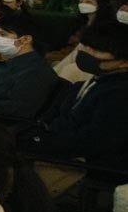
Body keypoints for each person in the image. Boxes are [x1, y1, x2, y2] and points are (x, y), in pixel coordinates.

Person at [30, 20, 128, 169]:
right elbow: (53, 116)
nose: (85, 53)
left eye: (96, 50)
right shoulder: (91, 81)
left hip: (83, 165)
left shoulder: (119, 94)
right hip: (55, 147)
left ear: (124, 62)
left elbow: (95, 141)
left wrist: (39, 142)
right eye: (85, 46)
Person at [0, 14, 61, 126]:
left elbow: (13, 111)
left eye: (3, 34)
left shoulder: (37, 73)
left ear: (25, 39)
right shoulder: (6, 65)